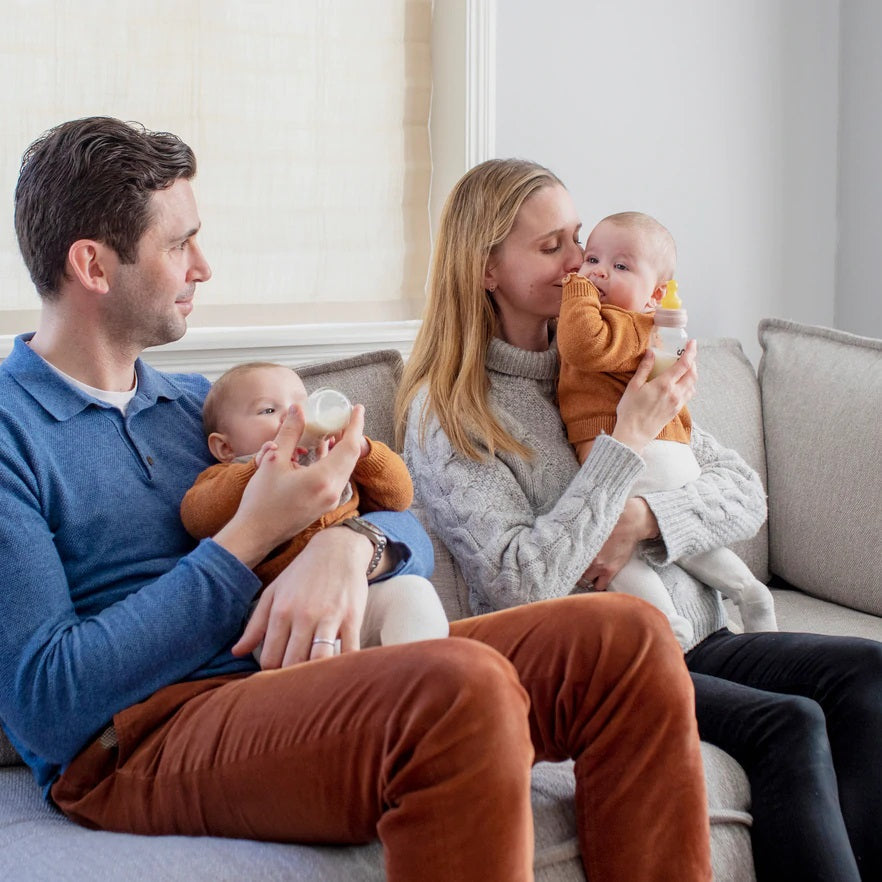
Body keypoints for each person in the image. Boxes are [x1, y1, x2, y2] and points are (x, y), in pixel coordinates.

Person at [0, 117, 713, 882]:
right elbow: (48, 702)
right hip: (143, 734)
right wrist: (245, 543)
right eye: (178, 245)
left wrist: (351, 546)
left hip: (298, 681)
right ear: (93, 265)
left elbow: (401, 518)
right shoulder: (14, 437)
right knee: (457, 689)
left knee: (625, 639)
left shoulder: (199, 409)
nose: (203, 265)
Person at [397, 156, 882, 882]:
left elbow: (743, 493)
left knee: (869, 674)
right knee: (788, 724)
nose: (578, 267)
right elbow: (521, 588)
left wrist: (646, 516)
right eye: (551, 247)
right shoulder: (451, 414)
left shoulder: (613, 360)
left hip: (698, 634)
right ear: (487, 270)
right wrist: (622, 447)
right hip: (606, 662)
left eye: (578, 240)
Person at [556, 211, 778, 646]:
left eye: (620, 267)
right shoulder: (632, 330)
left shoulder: (627, 324)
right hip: (665, 461)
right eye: (593, 258)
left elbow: (581, 341)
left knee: (610, 552)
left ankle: (669, 628)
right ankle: (750, 595)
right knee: (689, 549)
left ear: (654, 297)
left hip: (644, 460)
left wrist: (578, 286)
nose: (598, 271)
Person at [181, 361, 449, 651]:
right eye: (268, 410)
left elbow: (399, 497)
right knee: (311, 656)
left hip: (361, 594)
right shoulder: (227, 476)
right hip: (281, 610)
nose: (295, 417)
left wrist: (363, 452)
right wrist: (257, 472)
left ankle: (421, 672)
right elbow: (197, 517)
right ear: (225, 447)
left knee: (414, 594)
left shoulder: (334, 460)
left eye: (302, 405)